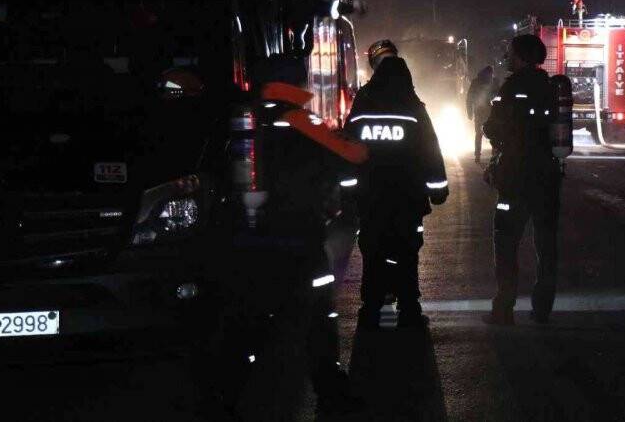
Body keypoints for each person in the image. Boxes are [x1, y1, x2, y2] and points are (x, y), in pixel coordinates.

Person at [207, 54, 367, 415]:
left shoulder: (243, 121)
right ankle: (329, 391)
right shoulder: (304, 122)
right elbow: (349, 161)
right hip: (302, 238)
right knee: (318, 316)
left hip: (249, 240)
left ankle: (227, 394)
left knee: (246, 316)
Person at [345, 48, 448, 330]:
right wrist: (438, 188)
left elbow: (348, 147)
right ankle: (409, 308)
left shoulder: (363, 102)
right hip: (407, 197)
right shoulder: (412, 105)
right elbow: (430, 151)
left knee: (373, 248)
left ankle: (371, 308)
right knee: (406, 250)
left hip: (371, 196)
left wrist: (348, 189)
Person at [482, 34, 561, 326]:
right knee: (547, 245)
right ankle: (542, 309)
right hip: (548, 179)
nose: (506, 58)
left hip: (515, 177)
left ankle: (503, 308)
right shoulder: (552, 87)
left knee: (506, 243)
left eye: (510, 53)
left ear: (522, 56)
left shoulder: (511, 86)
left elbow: (493, 128)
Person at [466, 65, 497, 162]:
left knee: (478, 134)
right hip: (489, 111)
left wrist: (470, 112)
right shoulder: (493, 82)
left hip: (478, 110)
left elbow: (469, 98)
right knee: (493, 132)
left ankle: (477, 155)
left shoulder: (475, 82)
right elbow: (498, 95)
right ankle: (494, 154)